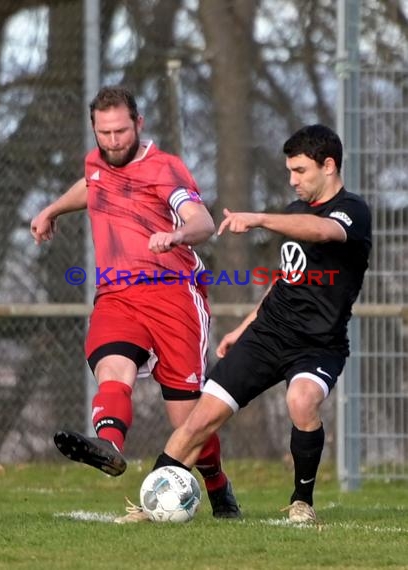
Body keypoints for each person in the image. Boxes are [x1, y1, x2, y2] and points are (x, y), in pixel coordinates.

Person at [30, 85, 241, 522]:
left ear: (138, 124)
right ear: (94, 129)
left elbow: (201, 221)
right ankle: (109, 444)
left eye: (121, 131)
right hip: (117, 294)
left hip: (173, 296)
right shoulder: (96, 163)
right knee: (112, 367)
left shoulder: (166, 168)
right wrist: (52, 209)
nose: (112, 141)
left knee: (187, 418)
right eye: (104, 132)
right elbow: (93, 186)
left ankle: (218, 486)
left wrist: (177, 234)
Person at [150, 124, 372, 523]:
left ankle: (302, 501)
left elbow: (323, 231)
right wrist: (243, 328)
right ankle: (152, 501)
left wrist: (258, 219)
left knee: (301, 401)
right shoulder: (291, 213)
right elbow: (285, 280)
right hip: (266, 335)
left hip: (318, 345)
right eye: (289, 171)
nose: (293, 180)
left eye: (300, 171)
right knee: (200, 418)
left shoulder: (352, 211)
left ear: (329, 166)